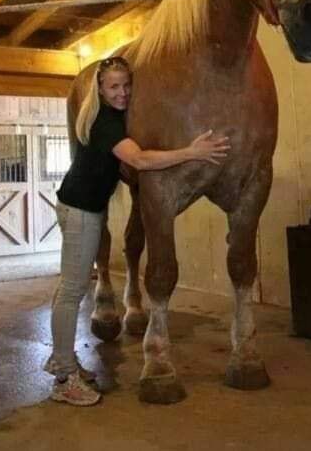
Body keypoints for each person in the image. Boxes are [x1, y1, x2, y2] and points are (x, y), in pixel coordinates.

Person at [45, 56, 230, 406]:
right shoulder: (104, 123)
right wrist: (192, 152)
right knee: (71, 292)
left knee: (68, 290)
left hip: (83, 209)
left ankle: (62, 361)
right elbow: (142, 160)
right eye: (114, 86)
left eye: (127, 85)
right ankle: (64, 378)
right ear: (100, 88)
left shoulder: (113, 117)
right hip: (80, 212)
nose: (122, 93)